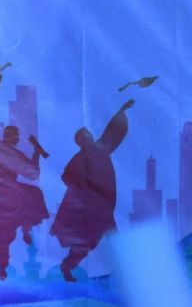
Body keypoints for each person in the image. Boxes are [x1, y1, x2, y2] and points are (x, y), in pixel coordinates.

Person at [49, 98, 134, 282]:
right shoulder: (79, 158)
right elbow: (66, 177)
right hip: (92, 208)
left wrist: (120, 111)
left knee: (96, 240)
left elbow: (112, 132)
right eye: (83, 136)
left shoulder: (101, 147)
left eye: (87, 134)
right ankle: (69, 266)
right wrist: (83, 189)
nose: (87, 136)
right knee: (99, 239)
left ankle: (69, 266)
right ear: (79, 142)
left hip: (103, 203)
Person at [0, 65, 49, 280]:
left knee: (29, 199)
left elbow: (30, 171)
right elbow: (32, 172)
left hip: (0, 190)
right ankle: (5, 261)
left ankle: (25, 231)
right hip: (0, 191)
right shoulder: (0, 148)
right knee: (6, 225)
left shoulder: (0, 147)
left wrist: (36, 154)